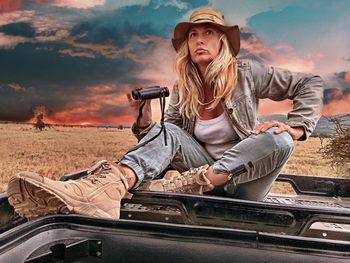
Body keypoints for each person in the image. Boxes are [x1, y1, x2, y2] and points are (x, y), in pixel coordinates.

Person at [7, 7, 323, 220]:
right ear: (186, 45)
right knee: (165, 130)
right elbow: (165, 140)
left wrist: (296, 127)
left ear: (222, 41)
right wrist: (144, 114)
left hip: (244, 184)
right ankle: (105, 190)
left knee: (279, 141)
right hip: (196, 176)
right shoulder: (183, 87)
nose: (200, 40)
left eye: (208, 33)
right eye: (193, 35)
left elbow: (310, 83)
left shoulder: (247, 73)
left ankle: (196, 181)